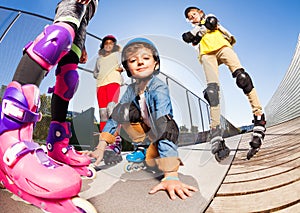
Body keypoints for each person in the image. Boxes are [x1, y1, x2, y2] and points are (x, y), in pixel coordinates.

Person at [0, 1, 98, 211]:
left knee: (68, 77)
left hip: (86, 14)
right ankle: (8, 140)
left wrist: (83, 43)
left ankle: (57, 146)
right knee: (56, 39)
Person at [89, 37, 198, 200]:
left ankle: (154, 153)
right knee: (121, 110)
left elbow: (165, 126)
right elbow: (115, 119)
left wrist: (171, 175)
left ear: (156, 63)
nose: (140, 62)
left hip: (160, 139)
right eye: (133, 60)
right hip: (144, 135)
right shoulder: (131, 90)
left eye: (146, 58)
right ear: (127, 68)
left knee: (164, 122)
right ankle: (141, 148)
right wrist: (100, 147)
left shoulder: (159, 87)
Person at [181, 6, 266, 161]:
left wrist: (197, 34)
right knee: (212, 92)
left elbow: (211, 23)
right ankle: (215, 131)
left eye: (194, 13)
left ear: (200, 13)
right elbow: (187, 37)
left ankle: (259, 115)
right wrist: (195, 35)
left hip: (222, 47)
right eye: (189, 17)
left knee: (243, 78)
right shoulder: (195, 31)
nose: (192, 17)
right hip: (207, 54)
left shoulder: (209, 18)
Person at [93, 35, 123, 165]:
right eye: (106, 43)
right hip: (101, 85)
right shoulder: (99, 60)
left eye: (111, 43)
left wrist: (121, 69)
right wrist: (100, 75)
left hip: (113, 82)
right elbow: (95, 73)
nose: (108, 45)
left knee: (112, 110)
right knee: (103, 114)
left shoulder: (117, 55)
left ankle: (116, 142)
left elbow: (124, 65)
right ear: (103, 46)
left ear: (114, 45)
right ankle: (104, 143)